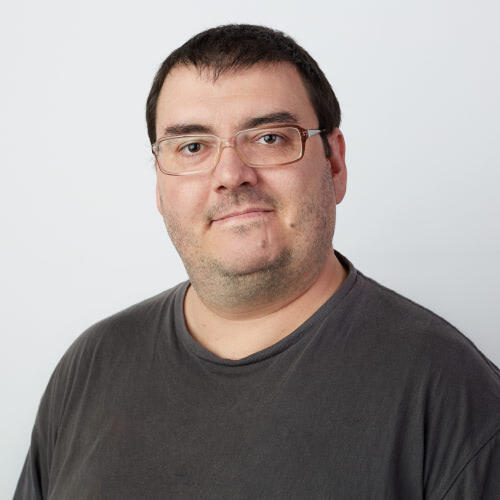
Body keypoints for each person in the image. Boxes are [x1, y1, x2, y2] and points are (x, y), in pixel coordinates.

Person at [15, 24, 500, 499]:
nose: (231, 175)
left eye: (269, 138)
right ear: (160, 188)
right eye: (192, 147)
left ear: (334, 163)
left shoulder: (453, 394)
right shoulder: (92, 365)